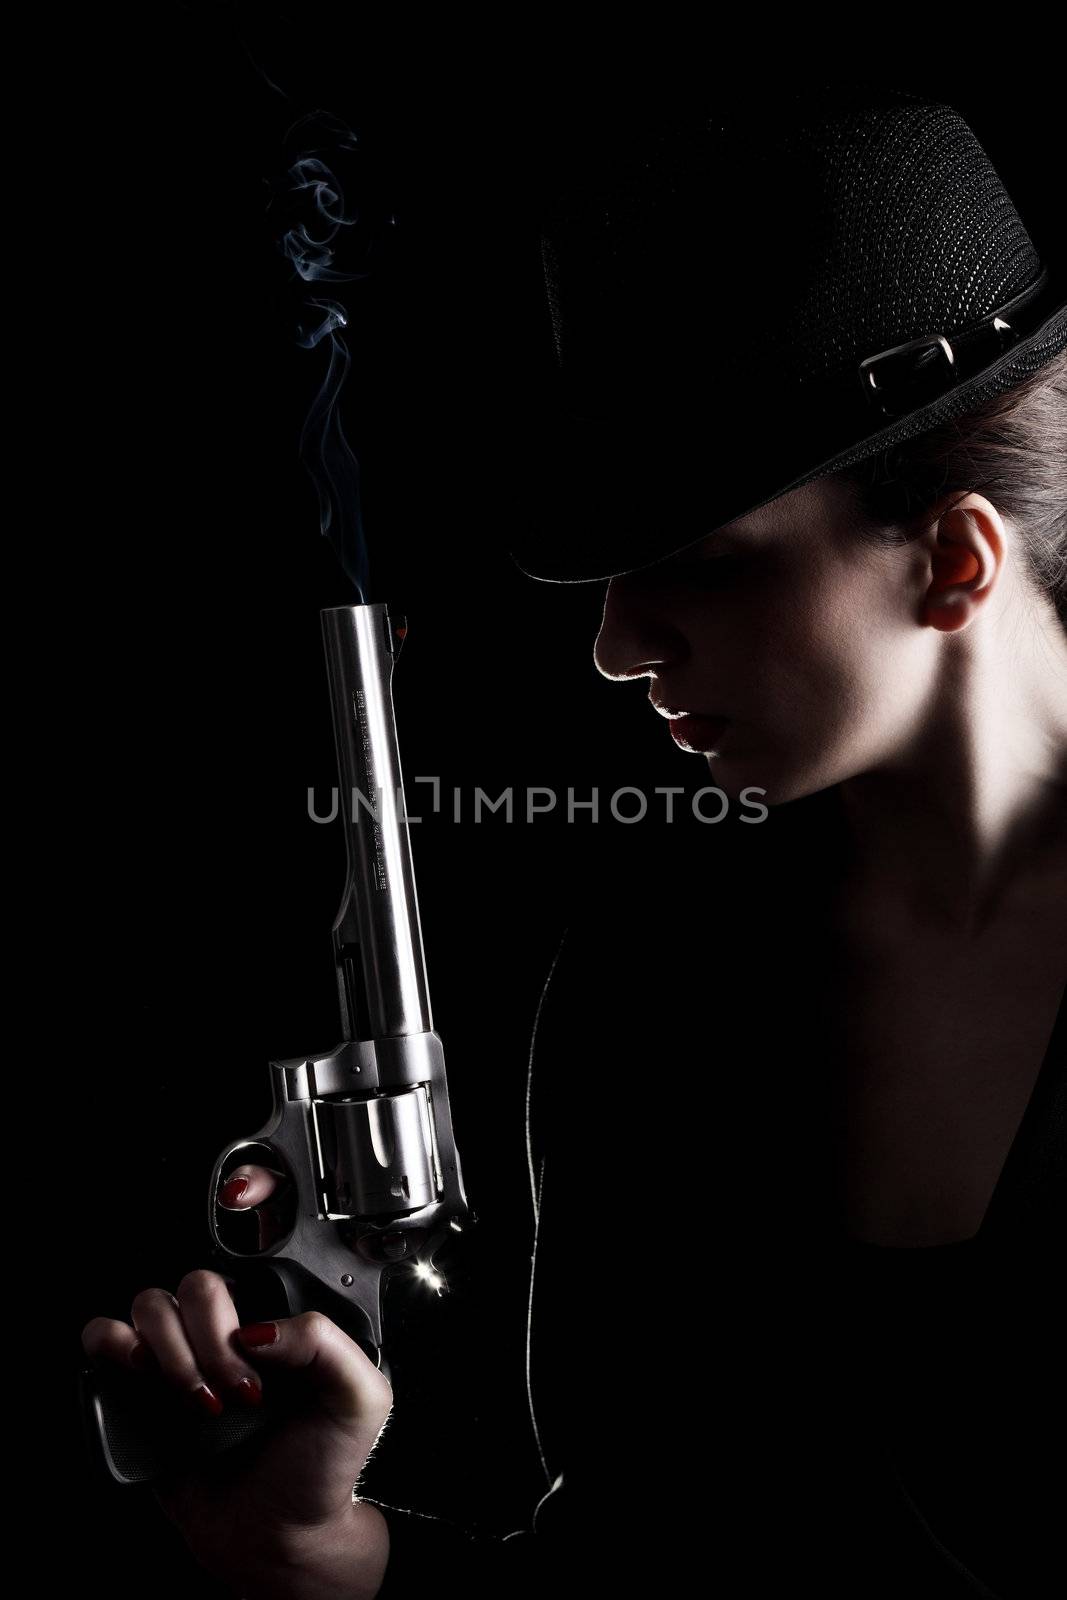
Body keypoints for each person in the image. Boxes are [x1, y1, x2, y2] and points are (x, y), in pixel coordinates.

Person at [81, 87, 1066, 1596]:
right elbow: (646, 1556)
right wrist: (328, 1552)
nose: (613, 648)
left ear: (949, 560)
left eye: (700, 567)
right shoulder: (657, 975)